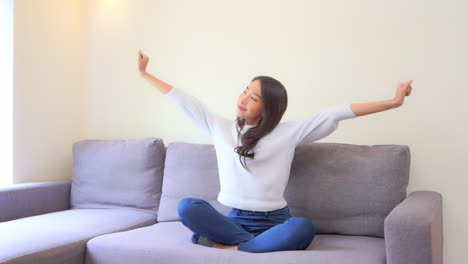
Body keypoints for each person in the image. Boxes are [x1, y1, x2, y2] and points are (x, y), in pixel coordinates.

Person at [137, 50, 413, 253]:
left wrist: (393, 102)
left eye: (253, 97)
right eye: (245, 91)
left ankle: (230, 248)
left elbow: (336, 112)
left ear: (268, 108)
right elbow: (184, 101)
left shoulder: (289, 132)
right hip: (234, 219)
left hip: (276, 221)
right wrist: (145, 74)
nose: (243, 99)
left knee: (303, 228)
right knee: (187, 207)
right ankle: (250, 246)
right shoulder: (220, 127)